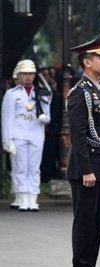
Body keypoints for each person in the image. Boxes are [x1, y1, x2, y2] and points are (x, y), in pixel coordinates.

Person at [67, 33, 100, 267]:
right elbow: (78, 135)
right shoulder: (79, 93)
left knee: (97, 222)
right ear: (87, 61)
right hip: (86, 169)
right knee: (84, 222)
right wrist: (86, 170)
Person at [2, 59, 51, 211]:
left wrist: (45, 117)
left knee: (34, 168)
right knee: (21, 167)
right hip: (19, 133)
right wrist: (7, 139)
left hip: (36, 133)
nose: (28, 77)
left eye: (31, 74)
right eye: (25, 74)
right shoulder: (11, 94)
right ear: (19, 75)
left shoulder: (41, 92)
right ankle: (23, 197)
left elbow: (47, 114)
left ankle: (33, 198)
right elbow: (7, 118)